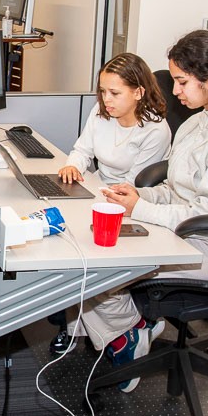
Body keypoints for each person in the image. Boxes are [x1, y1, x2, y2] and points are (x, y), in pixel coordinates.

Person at [82, 29, 208, 392]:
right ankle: (130, 329)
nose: (174, 91)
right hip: (187, 232)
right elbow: (179, 190)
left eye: (181, 81)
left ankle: (128, 335)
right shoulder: (199, 120)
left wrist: (141, 209)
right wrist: (140, 195)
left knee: (96, 272)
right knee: (88, 250)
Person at [47, 53, 171, 355]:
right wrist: (72, 166)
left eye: (114, 93)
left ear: (139, 92)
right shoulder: (102, 113)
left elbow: (129, 187)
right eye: (102, 91)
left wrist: (91, 190)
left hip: (129, 203)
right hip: (98, 189)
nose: (106, 99)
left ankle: (125, 334)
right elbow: (82, 149)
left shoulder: (156, 131)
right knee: (65, 242)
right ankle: (93, 328)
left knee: (83, 260)